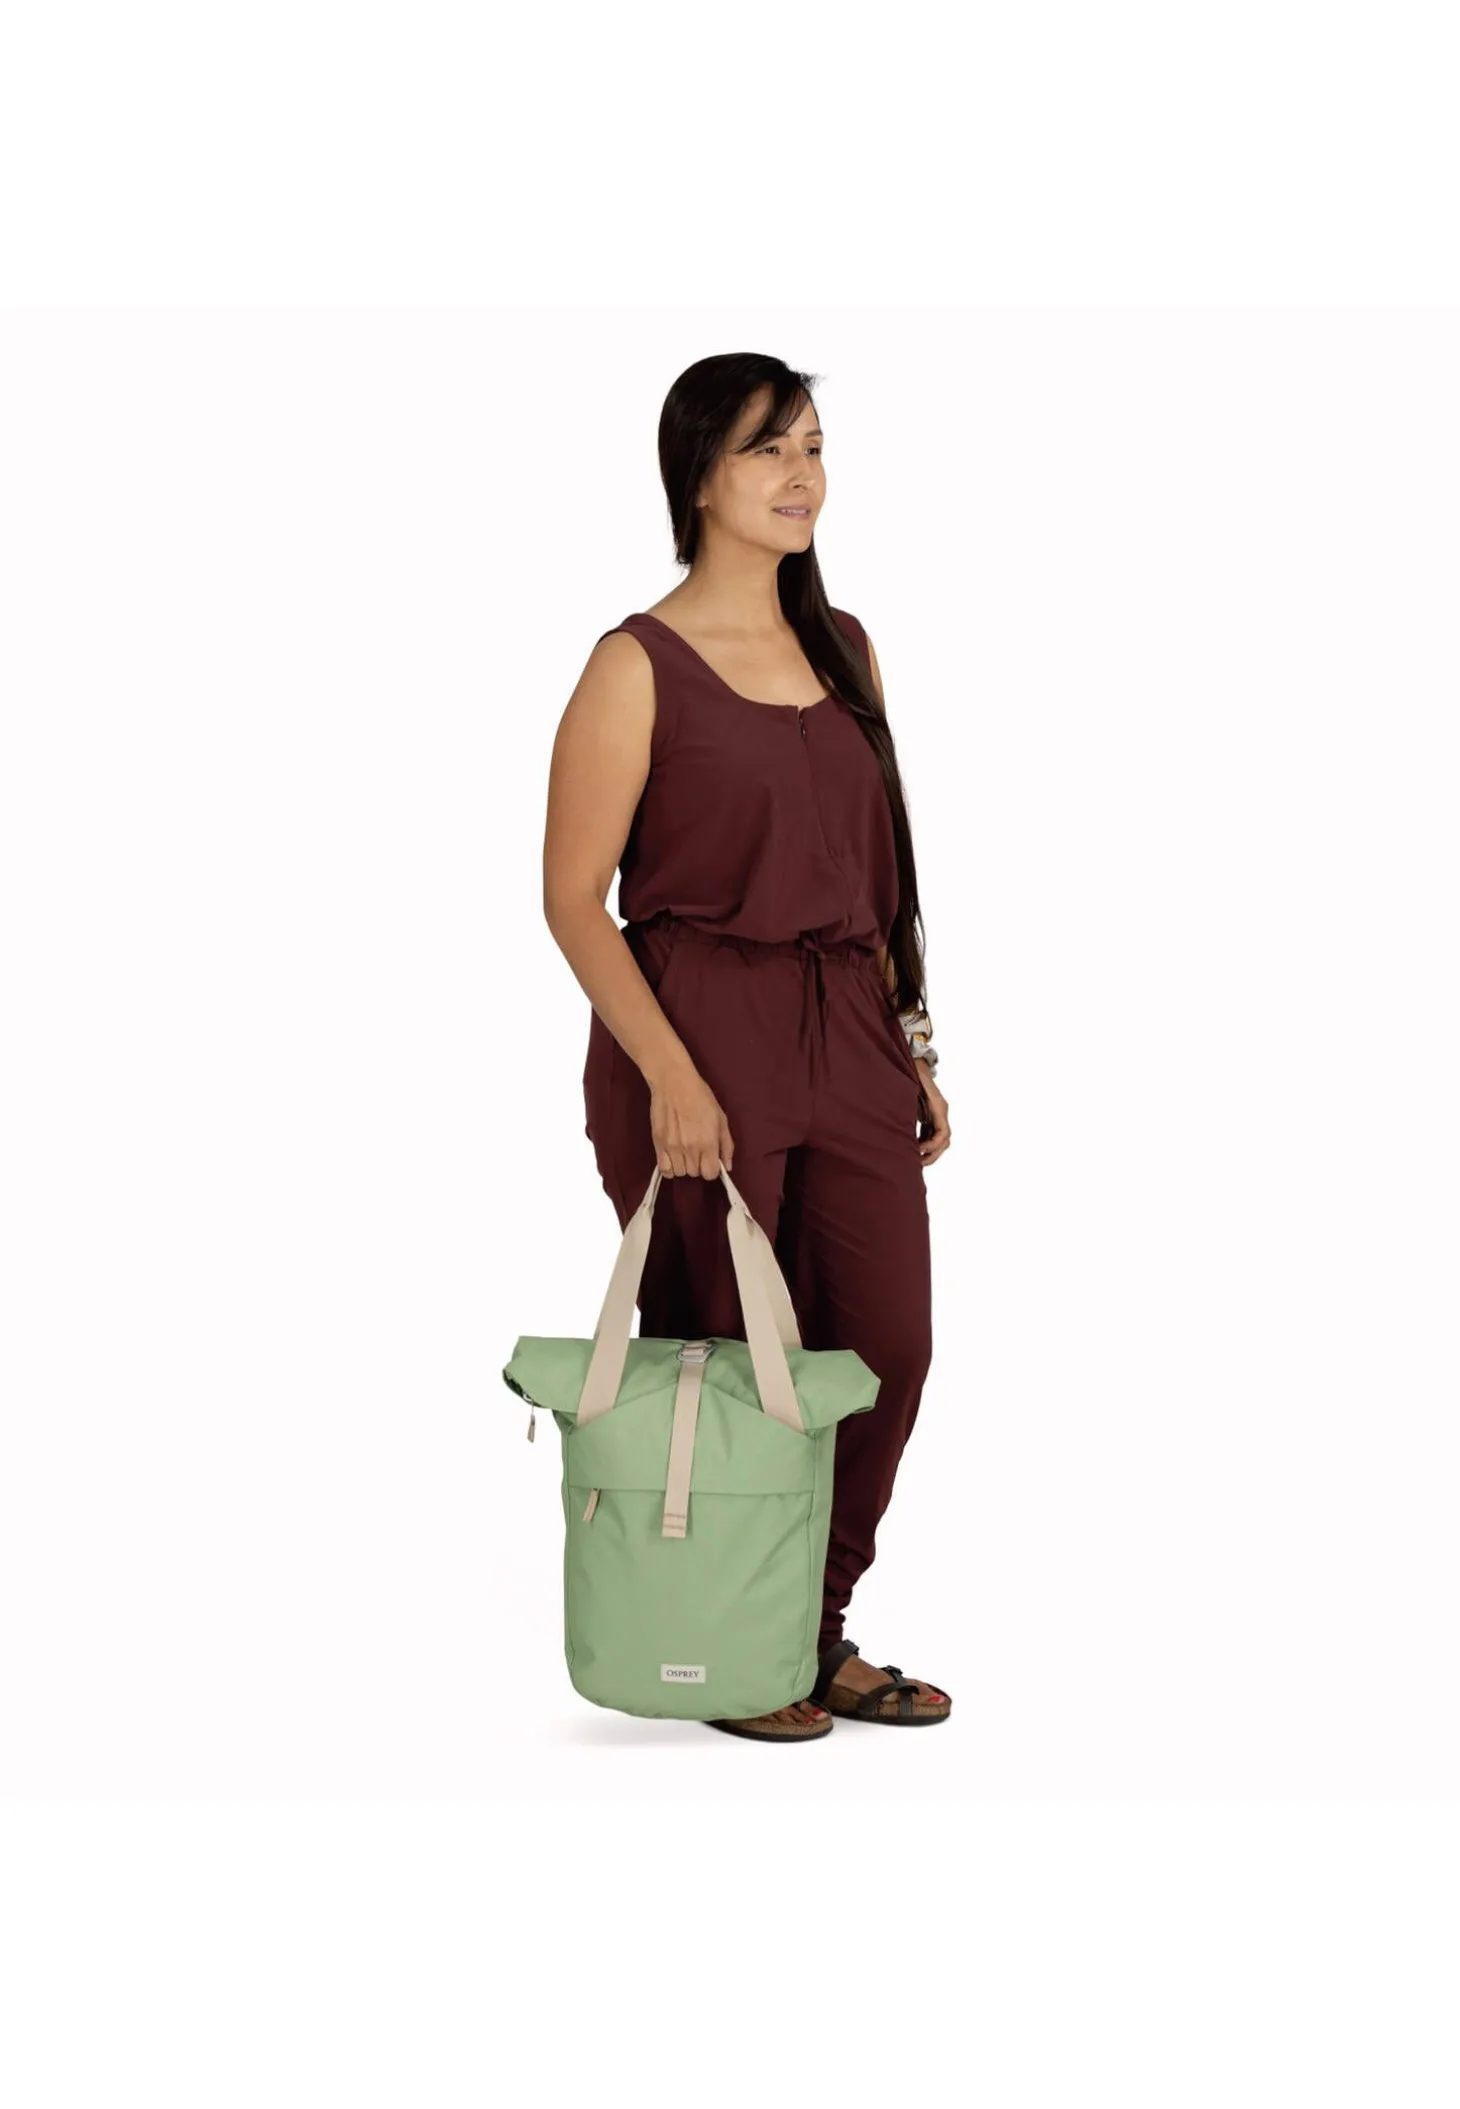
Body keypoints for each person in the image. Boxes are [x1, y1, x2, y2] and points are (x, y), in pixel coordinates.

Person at [542, 353, 953, 1742]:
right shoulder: (634, 665)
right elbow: (572, 898)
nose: (801, 475)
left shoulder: (847, 649)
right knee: (728, 1356)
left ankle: (808, 1628)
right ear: (697, 477)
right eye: (767, 449)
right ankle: (740, 1646)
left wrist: (911, 1038)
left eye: (814, 447)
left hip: (849, 1026)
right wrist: (670, 1075)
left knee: (884, 1344)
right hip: (695, 1030)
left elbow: (879, 874)